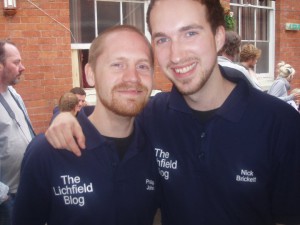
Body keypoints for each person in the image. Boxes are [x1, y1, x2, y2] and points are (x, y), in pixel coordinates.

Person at [45, 0, 300, 225]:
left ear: (219, 37)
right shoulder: (154, 114)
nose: (176, 55)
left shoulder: (282, 124)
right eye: (162, 39)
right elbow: (109, 117)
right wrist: (66, 116)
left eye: (190, 33)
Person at [12, 25, 160, 225]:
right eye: (118, 64)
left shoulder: (156, 149)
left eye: (142, 66)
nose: (132, 77)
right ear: (90, 74)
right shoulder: (47, 152)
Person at [0, 40, 35, 225]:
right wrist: (3, 196)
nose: (23, 67)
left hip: (25, 190)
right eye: (16, 62)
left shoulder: (14, 93)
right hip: (6, 200)